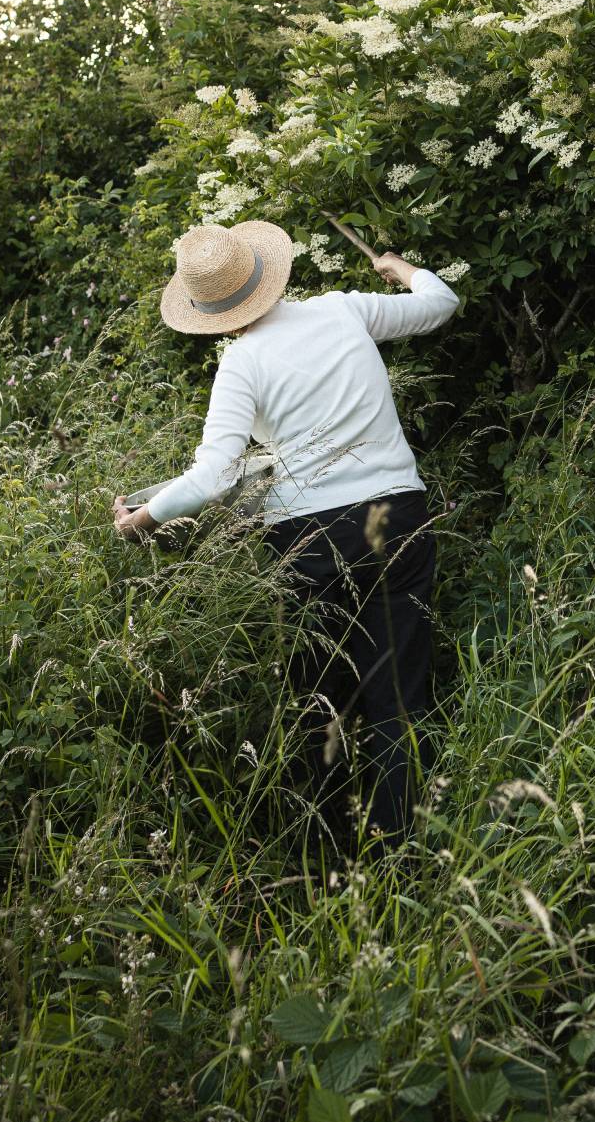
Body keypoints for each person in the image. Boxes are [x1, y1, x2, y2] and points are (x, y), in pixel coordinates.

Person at [112, 218, 460, 862]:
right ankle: (406, 861)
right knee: (401, 698)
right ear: (267, 274)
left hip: (312, 541)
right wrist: (402, 269)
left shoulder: (242, 361)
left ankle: (330, 860)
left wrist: (146, 517)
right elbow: (441, 303)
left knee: (322, 702)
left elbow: (217, 475)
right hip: (401, 517)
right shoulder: (343, 310)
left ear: (209, 312)